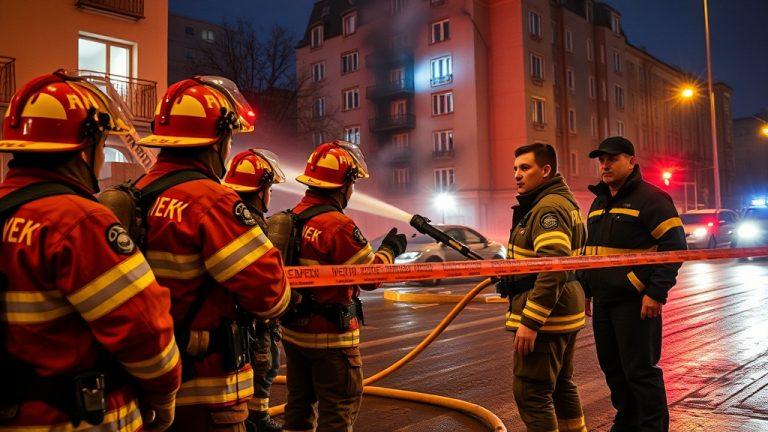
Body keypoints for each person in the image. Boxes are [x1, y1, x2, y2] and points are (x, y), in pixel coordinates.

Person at [0, 70, 181, 430]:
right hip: (78, 417)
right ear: (88, 143)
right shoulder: (79, 222)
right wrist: (164, 393)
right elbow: (144, 330)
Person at [135, 76, 292, 432]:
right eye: (231, 139)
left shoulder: (136, 194)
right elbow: (272, 298)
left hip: (147, 390)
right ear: (218, 140)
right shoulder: (214, 203)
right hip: (207, 394)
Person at [281, 140, 407, 432]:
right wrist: (389, 251)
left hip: (294, 334)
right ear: (345, 184)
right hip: (331, 340)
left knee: (298, 408)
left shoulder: (292, 218)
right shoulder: (339, 226)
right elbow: (370, 278)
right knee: (337, 410)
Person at [580, 136, 687, 432]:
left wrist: (655, 292)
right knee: (613, 371)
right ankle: (626, 423)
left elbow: (675, 247)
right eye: (602, 160)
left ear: (631, 161)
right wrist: (586, 289)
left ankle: (652, 427)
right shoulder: (599, 201)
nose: (605, 165)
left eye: (612, 158)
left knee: (640, 372)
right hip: (604, 301)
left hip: (635, 302)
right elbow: (592, 251)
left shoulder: (652, 198)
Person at [496, 143, 588, 432]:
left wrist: (531, 321)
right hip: (562, 312)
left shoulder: (548, 208)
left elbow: (554, 264)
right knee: (561, 384)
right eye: (515, 169)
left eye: (525, 168)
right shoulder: (558, 202)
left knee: (532, 392)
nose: (517, 175)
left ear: (546, 170)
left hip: (548, 317)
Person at [221, 149, 287, 432]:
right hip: (253, 322)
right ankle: (257, 420)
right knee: (263, 368)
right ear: (261, 190)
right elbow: (263, 283)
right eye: (269, 188)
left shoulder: (224, 215)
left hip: (230, 322)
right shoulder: (253, 225)